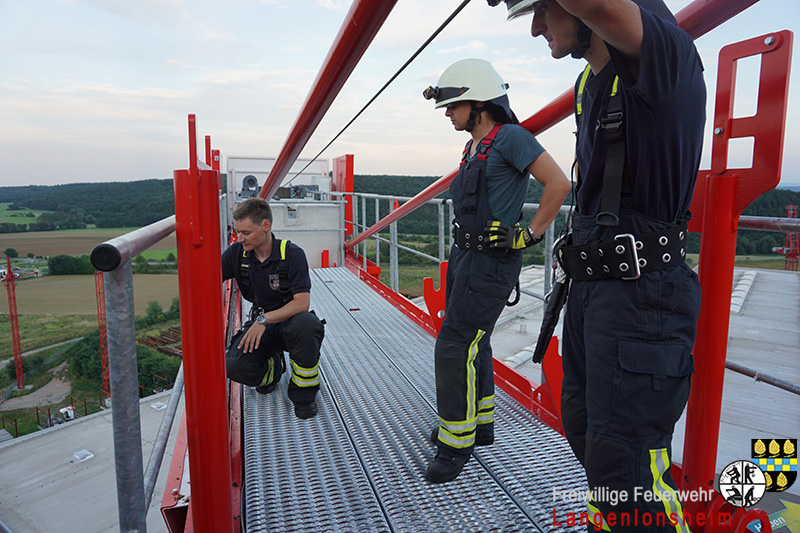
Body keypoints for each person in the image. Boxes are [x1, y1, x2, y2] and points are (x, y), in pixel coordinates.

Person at [492, 0, 705, 530]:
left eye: (543, 7)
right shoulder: (591, 82)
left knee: (629, 468)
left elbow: (600, 6)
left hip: (642, 295)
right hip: (596, 290)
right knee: (588, 433)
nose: (537, 27)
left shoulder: (666, 56)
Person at [422, 58, 571, 483]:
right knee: (475, 342)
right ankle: (479, 424)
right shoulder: (473, 146)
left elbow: (559, 184)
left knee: (454, 346)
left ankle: (455, 444)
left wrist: (529, 235)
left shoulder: (511, 138)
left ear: (479, 104)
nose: (448, 114)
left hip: (490, 261)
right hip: (465, 256)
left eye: (453, 106)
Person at [222, 197, 325, 419]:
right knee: (234, 366)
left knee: (307, 324)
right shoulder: (237, 254)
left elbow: (302, 303)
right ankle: (273, 368)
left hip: (290, 323)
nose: (240, 238)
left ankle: (304, 394)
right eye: (237, 232)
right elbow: (207, 278)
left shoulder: (292, 254)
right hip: (263, 325)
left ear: (265, 226)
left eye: (246, 233)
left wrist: (263, 320)